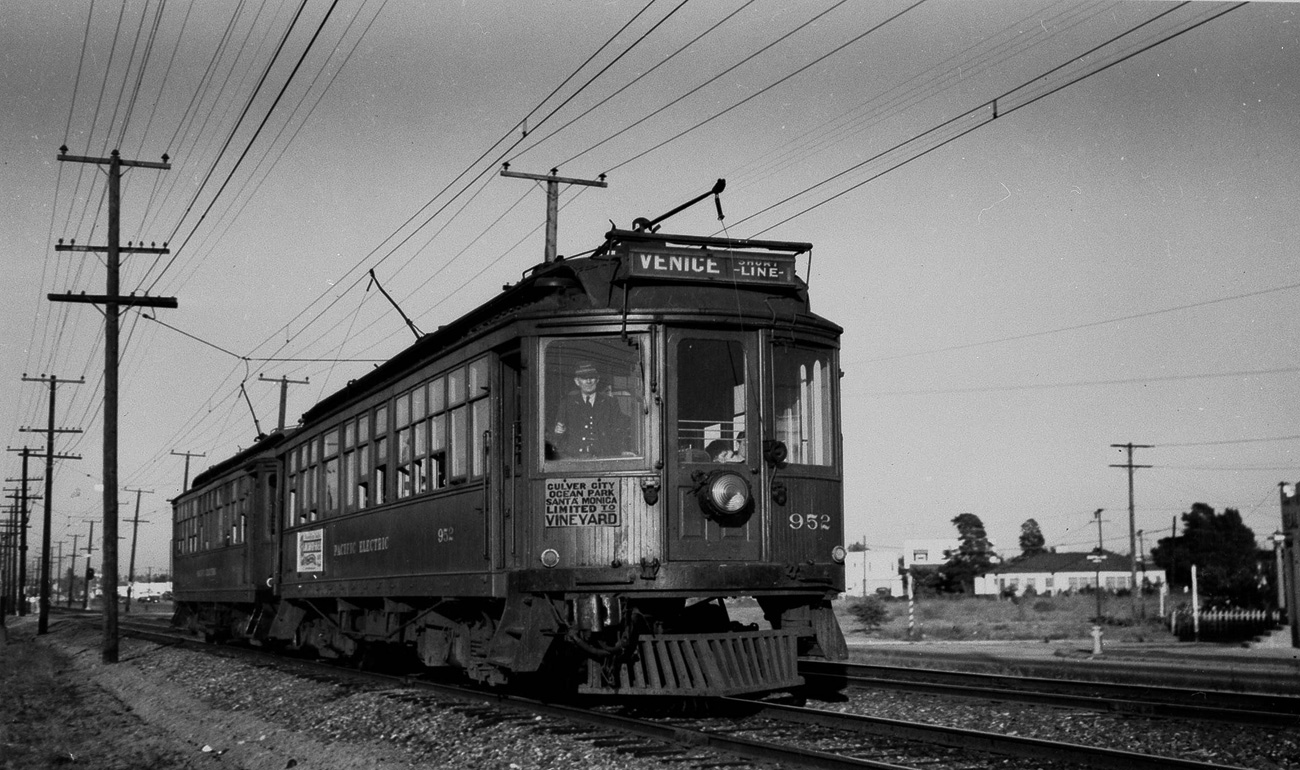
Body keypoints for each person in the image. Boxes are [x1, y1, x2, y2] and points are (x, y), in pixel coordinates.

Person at [550, 361, 631, 459]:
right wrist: (559, 433)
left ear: (597, 380)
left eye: (592, 377)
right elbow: (557, 436)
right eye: (584, 378)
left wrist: (623, 450)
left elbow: (619, 430)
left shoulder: (610, 402)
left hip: (604, 457)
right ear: (577, 381)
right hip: (574, 458)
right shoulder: (567, 403)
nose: (588, 381)